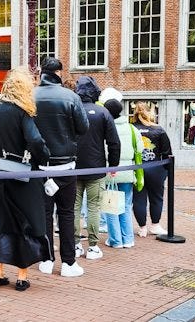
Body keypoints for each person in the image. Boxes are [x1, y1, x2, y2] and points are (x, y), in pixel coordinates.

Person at [0, 68, 50, 291]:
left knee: (5, 222)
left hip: (1, 175)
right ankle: (22, 276)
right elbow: (36, 141)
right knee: (26, 223)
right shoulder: (22, 112)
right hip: (23, 176)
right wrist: (43, 156)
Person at [33, 57, 89, 277]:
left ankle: (46, 259)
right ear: (59, 73)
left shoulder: (32, 96)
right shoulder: (71, 97)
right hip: (65, 165)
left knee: (44, 213)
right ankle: (68, 263)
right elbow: (83, 128)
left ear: (42, 73)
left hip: (40, 165)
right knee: (66, 214)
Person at [73, 77, 120, 260]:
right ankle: (92, 247)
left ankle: (76, 244)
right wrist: (113, 165)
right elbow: (113, 142)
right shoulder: (103, 113)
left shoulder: (71, 111)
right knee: (94, 208)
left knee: (74, 207)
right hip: (96, 167)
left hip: (74, 167)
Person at [102, 98, 142, 249]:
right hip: (127, 171)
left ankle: (115, 240)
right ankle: (128, 239)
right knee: (125, 205)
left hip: (110, 171)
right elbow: (139, 149)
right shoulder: (132, 129)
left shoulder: (106, 127)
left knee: (110, 204)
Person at [131, 102, 172, 236]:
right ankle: (155, 225)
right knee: (156, 197)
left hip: (137, 168)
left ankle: (142, 227)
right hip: (156, 167)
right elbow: (167, 153)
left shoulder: (131, 129)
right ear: (150, 113)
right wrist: (166, 171)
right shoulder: (159, 130)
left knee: (138, 198)